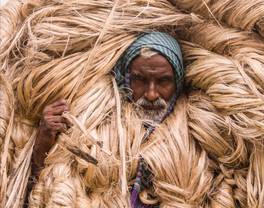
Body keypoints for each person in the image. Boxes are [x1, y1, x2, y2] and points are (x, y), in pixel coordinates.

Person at [30, 32, 184, 207]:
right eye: (139, 79)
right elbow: (50, 187)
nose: (151, 94)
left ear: (178, 83)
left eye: (163, 81)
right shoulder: (93, 130)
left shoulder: (192, 139)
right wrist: (43, 140)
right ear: (124, 77)